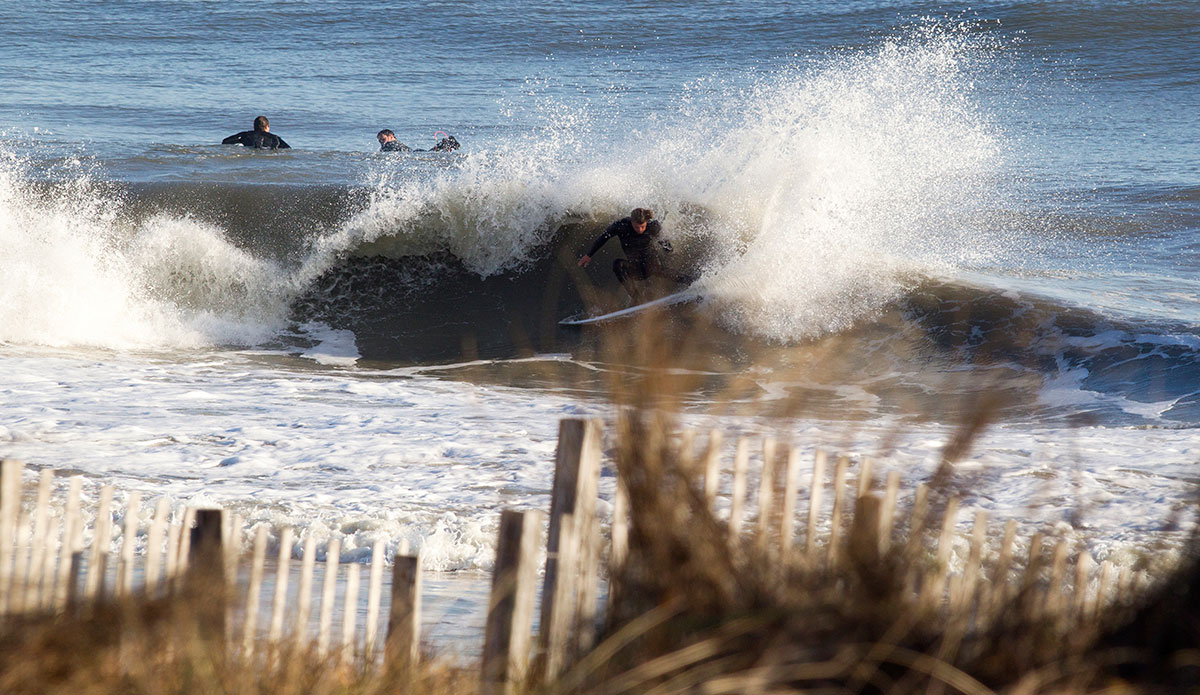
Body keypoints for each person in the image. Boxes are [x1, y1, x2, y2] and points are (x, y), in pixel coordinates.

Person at [577, 208, 689, 302]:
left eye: (642, 226)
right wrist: (589, 255)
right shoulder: (620, 226)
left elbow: (665, 243)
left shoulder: (653, 226)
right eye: (637, 227)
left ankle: (692, 282)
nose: (640, 230)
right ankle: (637, 299)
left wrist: (670, 252)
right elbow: (603, 238)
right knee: (617, 265)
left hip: (651, 265)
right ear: (631, 221)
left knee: (659, 270)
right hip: (635, 268)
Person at [222, 116, 290, 150]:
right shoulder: (275, 138)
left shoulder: (245, 135)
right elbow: (288, 149)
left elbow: (225, 141)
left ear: (254, 127)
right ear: (267, 127)